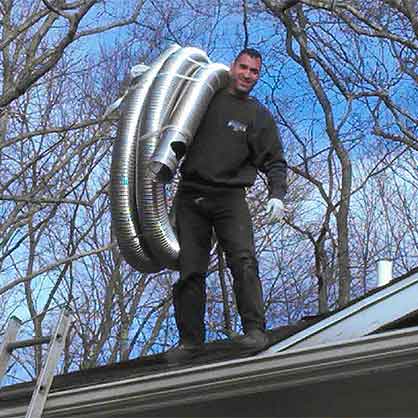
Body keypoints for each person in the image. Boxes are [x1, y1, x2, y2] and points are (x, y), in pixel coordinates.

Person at [170, 48, 287, 358]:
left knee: (243, 260)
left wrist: (277, 194)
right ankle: (190, 342)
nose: (247, 75)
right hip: (191, 195)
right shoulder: (203, 97)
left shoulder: (257, 116)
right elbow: (164, 107)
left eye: (254, 72)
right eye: (243, 68)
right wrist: (140, 86)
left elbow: (275, 160)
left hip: (229, 197)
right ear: (232, 67)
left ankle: (254, 331)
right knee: (190, 271)